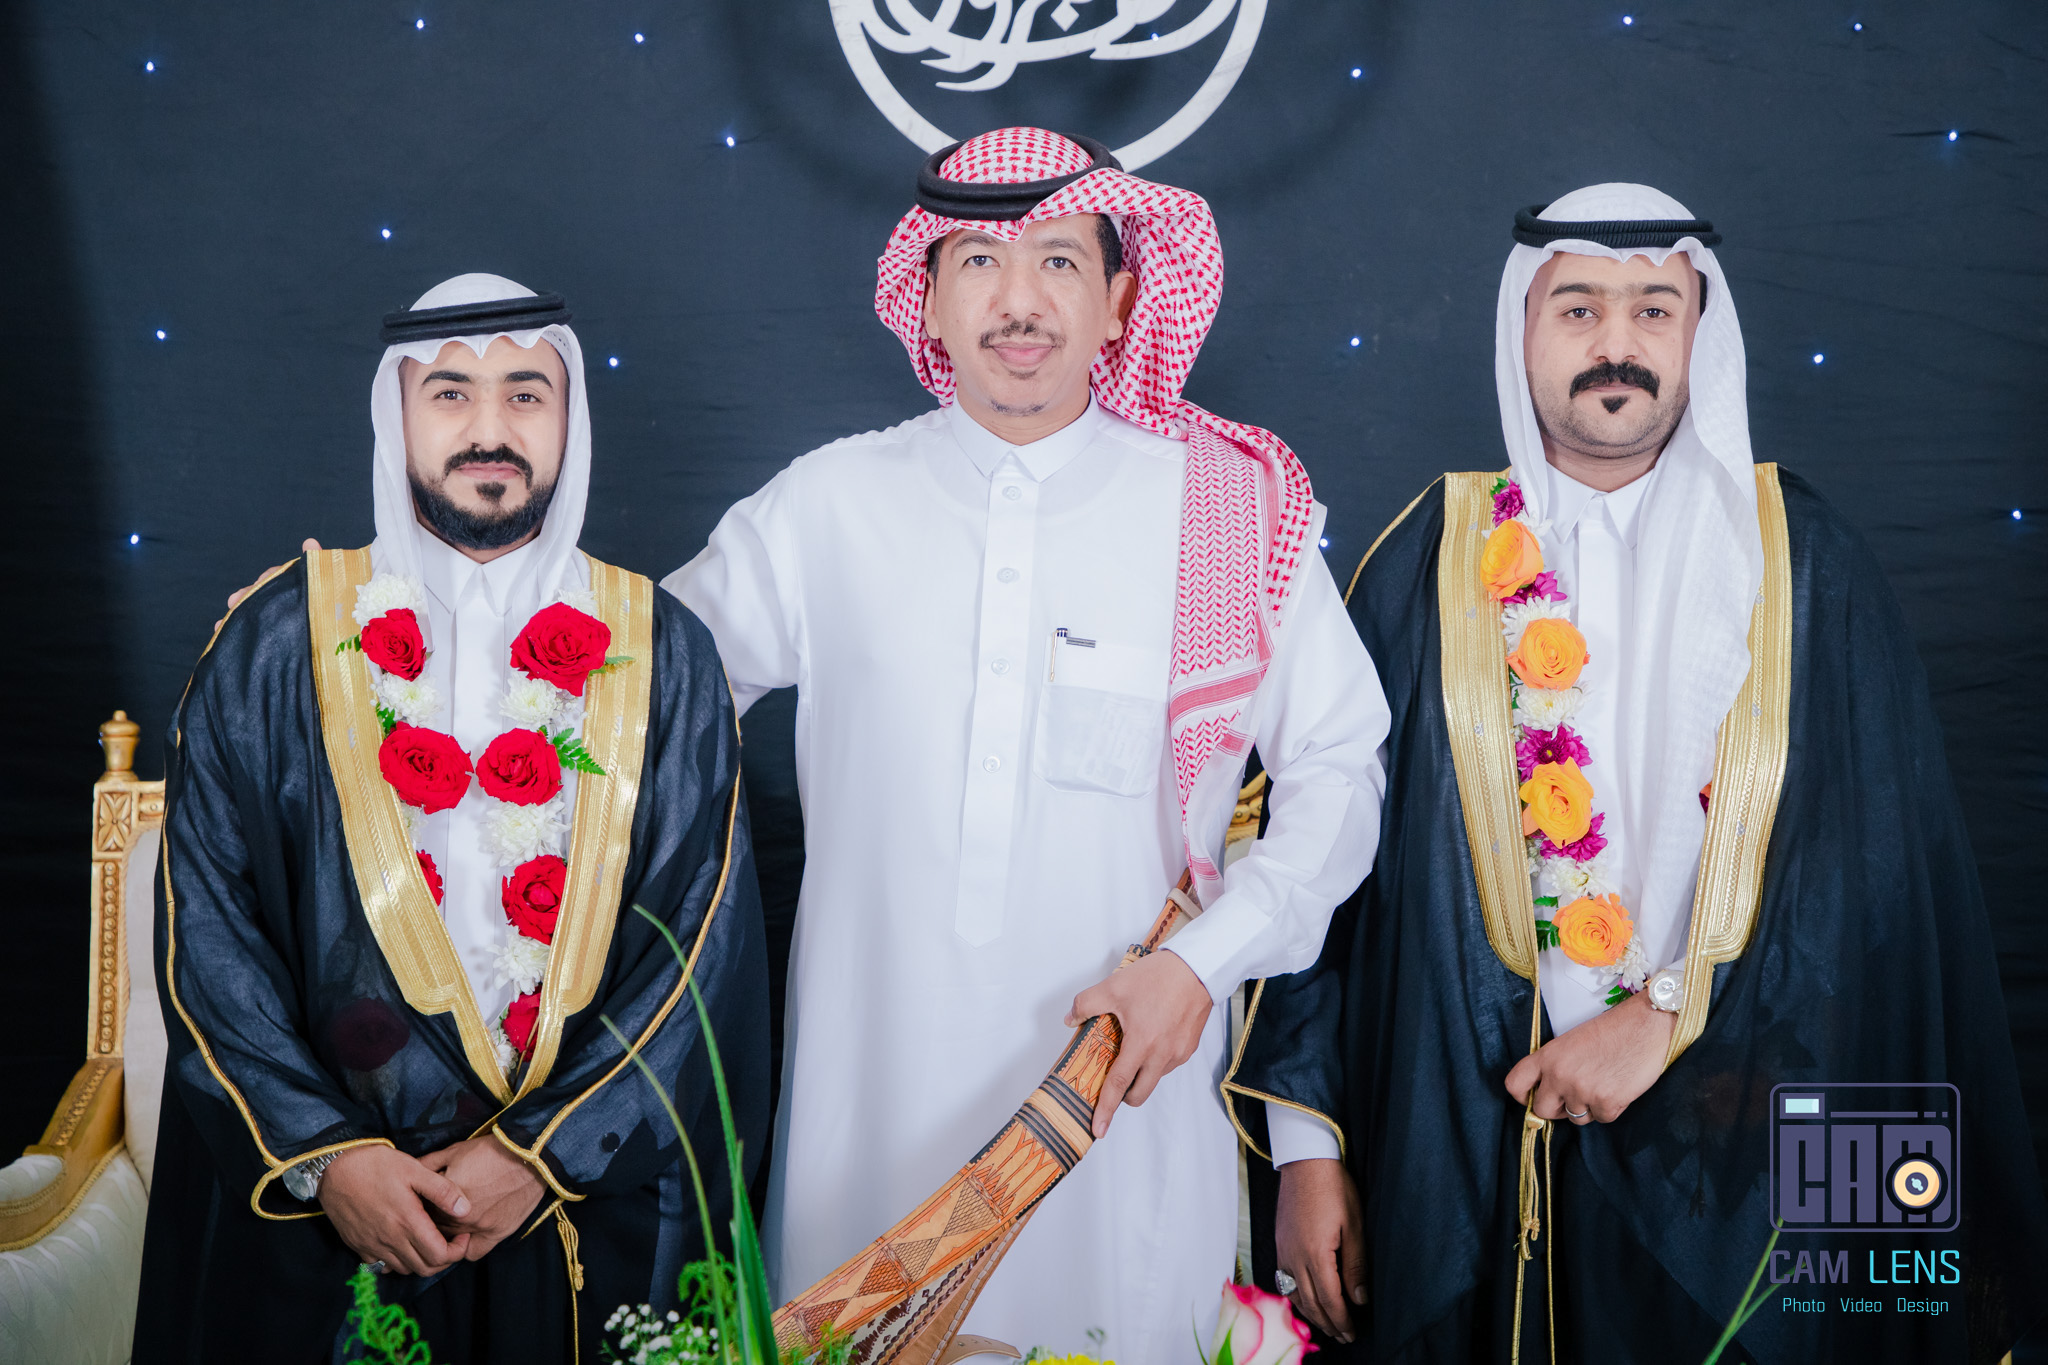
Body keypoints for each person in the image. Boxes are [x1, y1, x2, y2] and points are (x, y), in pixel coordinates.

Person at [1224, 185, 2048, 1362]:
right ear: (1520, 330)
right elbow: (1324, 857)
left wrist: (1667, 1018)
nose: (1615, 342)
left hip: (1747, 1152)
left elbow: (1870, 883)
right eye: (1577, 308)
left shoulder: (1801, 560)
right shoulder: (1426, 560)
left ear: (1697, 334)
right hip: (1474, 1140)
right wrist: (1307, 1158)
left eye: (1652, 309)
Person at [665, 128, 1390, 1360]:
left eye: (1058, 261)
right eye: (978, 263)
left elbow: (1340, 772)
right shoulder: (826, 506)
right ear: (926, 298)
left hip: (1118, 1105)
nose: (1018, 302)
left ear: (1120, 302)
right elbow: (636, 703)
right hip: (864, 1117)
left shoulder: (1223, 512)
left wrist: (1202, 964)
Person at [136, 274, 769, 1364]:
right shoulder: (275, 646)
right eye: (450, 395)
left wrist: (540, 1153)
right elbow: (209, 934)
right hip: (334, 1220)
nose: (490, 430)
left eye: (526, 394)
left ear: (569, 420)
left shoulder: (663, 653)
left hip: (574, 1209)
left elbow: (700, 943)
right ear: (397, 415)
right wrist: (330, 1157)